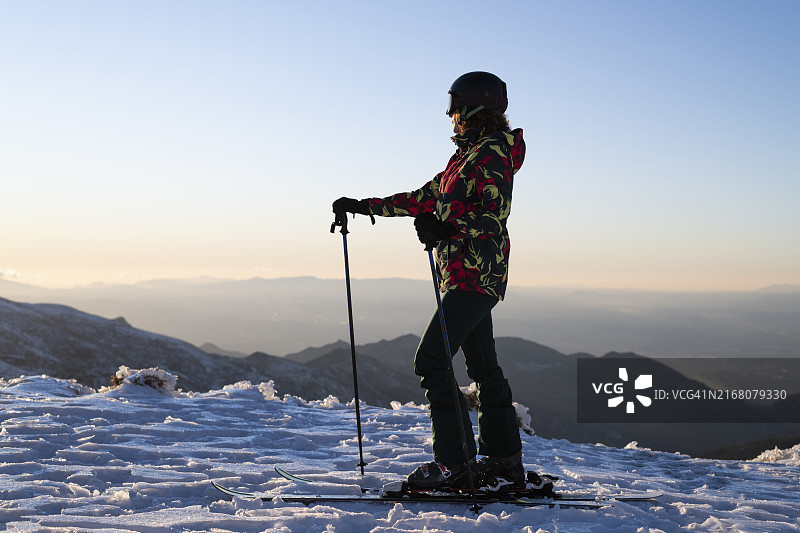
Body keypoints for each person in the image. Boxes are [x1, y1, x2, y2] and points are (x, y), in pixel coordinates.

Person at [332, 71, 526, 492]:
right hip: (467, 275)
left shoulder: (491, 153)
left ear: (474, 108)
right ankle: (504, 464)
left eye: (454, 105)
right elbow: (423, 198)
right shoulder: (467, 156)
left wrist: (446, 228)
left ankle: (455, 466)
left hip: (476, 274)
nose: (449, 114)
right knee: (483, 367)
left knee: (431, 360)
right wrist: (361, 206)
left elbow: (494, 215)